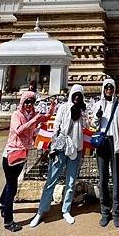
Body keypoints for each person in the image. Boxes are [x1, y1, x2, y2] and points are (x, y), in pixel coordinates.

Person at [30, 84, 86, 228]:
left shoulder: (82, 110)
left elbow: (85, 126)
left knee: (71, 182)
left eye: (80, 95)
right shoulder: (63, 108)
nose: (77, 98)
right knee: (51, 180)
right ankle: (41, 211)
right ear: (71, 95)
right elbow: (56, 128)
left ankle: (66, 210)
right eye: (75, 95)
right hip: (61, 148)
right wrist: (54, 147)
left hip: (76, 149)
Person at [0, 91, 55, 232]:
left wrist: (52, 109)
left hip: (23, 154)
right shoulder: (16, 115)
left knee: (11, 182)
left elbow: (43, 119)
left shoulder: (31, 115)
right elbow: (18, 130)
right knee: (12, 188)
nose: (29, 105)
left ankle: (1, 203)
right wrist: (34, 120)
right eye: (27, 102)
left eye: (32, 102)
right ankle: (8, 221)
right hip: (11, 155)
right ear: (22, 102)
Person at [93, 78, 119, 228]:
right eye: (106, 87)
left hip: (116, 143)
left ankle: (116, 212)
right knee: (102, 179)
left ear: (114, 89)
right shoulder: (97, 105)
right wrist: (97, 116)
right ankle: (105, 211)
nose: (109, 89)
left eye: (111, 87)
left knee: (116, 178)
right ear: (103, 89)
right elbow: (92, 124)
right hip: (102, 144)